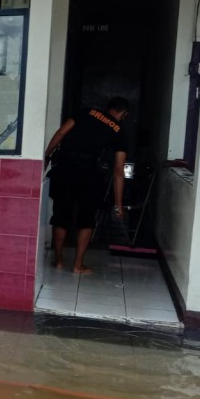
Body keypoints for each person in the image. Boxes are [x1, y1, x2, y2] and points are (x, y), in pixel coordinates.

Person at [44, 97, 131, 274]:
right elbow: (118, 170)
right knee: (87, 218)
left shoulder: (86, 112)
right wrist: (118, 204)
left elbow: (61, 133)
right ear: (124, 114)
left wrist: (46, 155)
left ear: (107, 108)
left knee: (61, 214)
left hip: (66, 168)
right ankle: (77, 265)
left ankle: (59, 261)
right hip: (91, 174)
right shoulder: (119, 130)